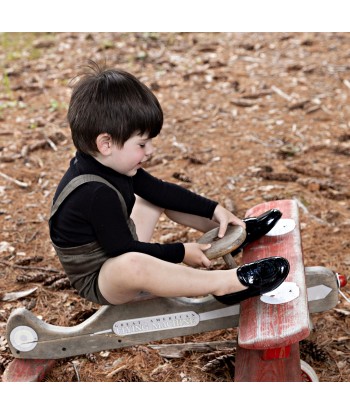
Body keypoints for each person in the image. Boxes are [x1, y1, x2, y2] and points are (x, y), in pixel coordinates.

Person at [49, 61, 289, 307]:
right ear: (106, 144)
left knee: (155, 197)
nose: (150, 151)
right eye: (142, 144)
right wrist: (181, 252)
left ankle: (232, 233)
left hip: (118, 249)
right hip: (102, 278)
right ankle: (226, 284)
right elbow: (124, 249)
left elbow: (160, 191)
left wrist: (214, 209)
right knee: (132, 265)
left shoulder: (110, 163)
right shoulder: (94, 192)